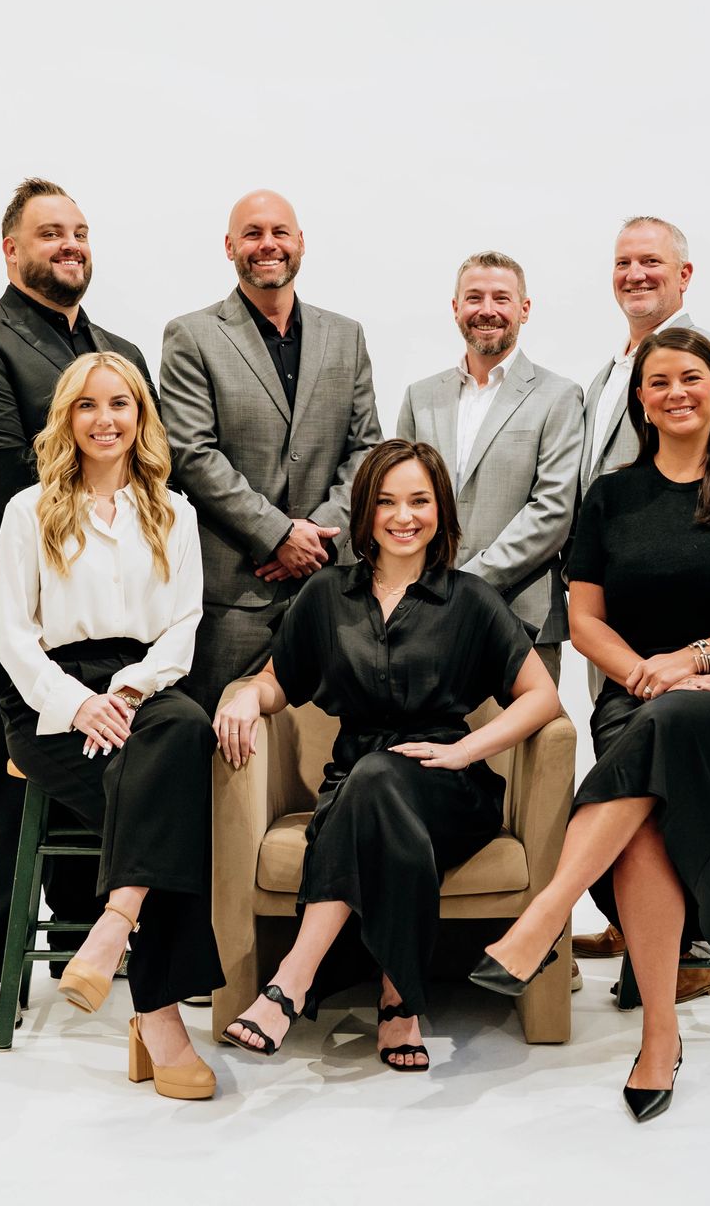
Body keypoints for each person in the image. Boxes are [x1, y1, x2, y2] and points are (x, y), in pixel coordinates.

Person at [473, 327, 710, 1122]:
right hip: (637, 691)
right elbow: (585, 619)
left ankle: (547, 914)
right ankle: (661, 1032)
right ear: (640, 402)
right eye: (658, 383)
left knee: (669, 723)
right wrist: (646, 673)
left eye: (691, 378)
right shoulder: (611, 497)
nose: (675, 393)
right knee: (652, 781)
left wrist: (691, 661)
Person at [211, 439, 562, 1072]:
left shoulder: (471, 598)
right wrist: (245, 697)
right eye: (387, 502)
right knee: (372, 778)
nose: (404, 517)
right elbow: (277, 682)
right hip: (358, 780)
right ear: (365, 512)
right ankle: (399, 1001)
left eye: (419, 501)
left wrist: (468, 751)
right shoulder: (326, 595)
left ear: (440, 510)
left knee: (375, 779)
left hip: (449, 784)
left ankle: (291, 981)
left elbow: (542, 697)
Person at [0, 178, 152, 1030]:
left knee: (92, 769)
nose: (71, 245)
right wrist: (106, 490)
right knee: (1, 782)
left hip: (107, 615)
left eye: (81, 232)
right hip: (5, 611)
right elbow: (5, 467)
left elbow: (149, 468)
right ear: (11, 250)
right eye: (51, 232)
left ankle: (81, 939)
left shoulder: (118, 351)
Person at [0, 351, 221, 1101]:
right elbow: (11, 634)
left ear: (140, 415)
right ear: (67, 418)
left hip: (145, 685)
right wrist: (78, 702)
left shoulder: (174, 511)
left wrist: (124, 690)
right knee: (171, 795)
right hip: (51, 699)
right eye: (88, 405)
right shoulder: (29, 510)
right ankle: (160, 1021)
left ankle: (115, 922)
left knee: (185, 731)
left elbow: (184, 624)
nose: (105, 419)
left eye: (120, 403)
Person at [571, 215, 710, 989]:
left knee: (668, 763)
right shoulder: (606, 375)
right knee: (623, 752)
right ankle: (637, 923)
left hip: (685, 623)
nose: (635, 274)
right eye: (623, 262)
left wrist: (688, 656)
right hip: (613, 613)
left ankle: (688, 954)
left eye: (652, 260)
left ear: (685, 274)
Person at [158, 189, 382, 716]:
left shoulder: (346, 336)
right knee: (219, 745)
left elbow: (367, 449)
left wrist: (317, 536)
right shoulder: (191, 336)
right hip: (236, 597)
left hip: (333, 587)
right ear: (229, 246)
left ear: (300, 242)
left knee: (334, 747)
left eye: (280, 232)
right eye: (252, 234)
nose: (268, 244)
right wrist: (278, 535)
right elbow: (192, 453)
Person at [395, 251, 583, 685]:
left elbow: (552, 511)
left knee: (522, 732)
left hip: (521, 616)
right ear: (455, 307)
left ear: (524, 309)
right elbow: (397, 499)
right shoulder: (420, 397)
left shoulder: (558, 396)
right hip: (421, 611)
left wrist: (465, 583)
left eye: (501, 298)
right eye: (474, 297)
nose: (487, 310)